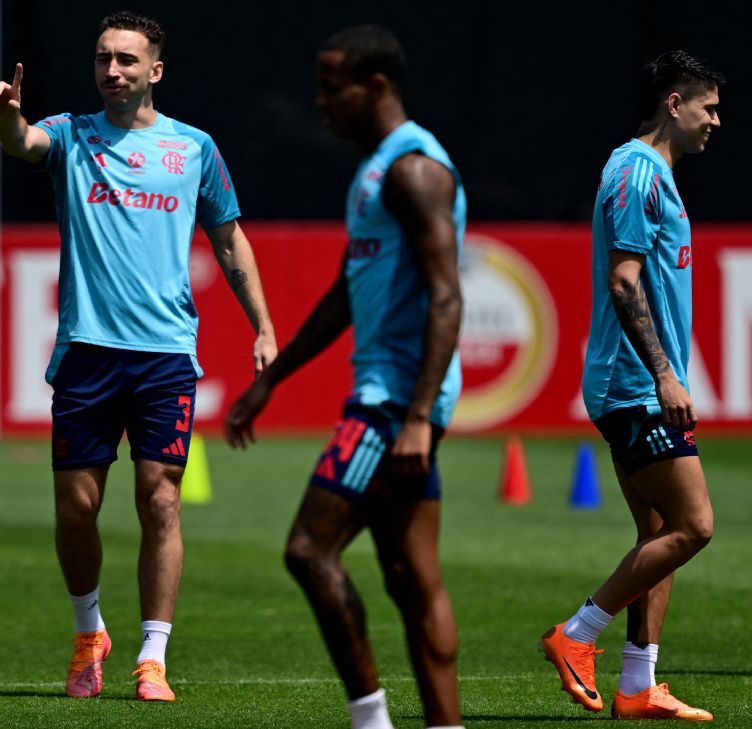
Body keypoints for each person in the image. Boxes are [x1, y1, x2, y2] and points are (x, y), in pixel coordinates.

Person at [0, 10, 276, 702]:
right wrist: (6, 115)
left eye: (125, 59)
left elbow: (229, 240)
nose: (111, 71)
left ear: (155, 70)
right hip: (88, 352)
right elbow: (24, 145)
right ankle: (90, 630)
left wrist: (263, 325)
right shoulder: (71, 133)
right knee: (76, 508)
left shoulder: (194, 149)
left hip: (164, 356)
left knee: (162, 500)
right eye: (101, 58)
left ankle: (154, 655)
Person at [224, 25, 465, 729]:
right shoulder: (375, 169)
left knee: (309, 550)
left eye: (333, 88)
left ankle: (371, 722)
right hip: (397, 400)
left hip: (394, 404)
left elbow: (448, 295)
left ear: (377, 86)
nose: (321, 101)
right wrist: (275, 377)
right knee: (411, 578)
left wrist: (418, 415)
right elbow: (345, 293)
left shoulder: (414, 170)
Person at [541, 50, 722, 722]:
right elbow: (623, 281)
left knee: (657, 533)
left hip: (638, 384)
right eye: (708, 106)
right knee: (695, 524)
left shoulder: (656, 175)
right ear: (674, 103)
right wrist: (665, 373)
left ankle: (638, 684)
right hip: (634, 387)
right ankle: (577, 635)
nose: (717, 120)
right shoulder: (635, 172)